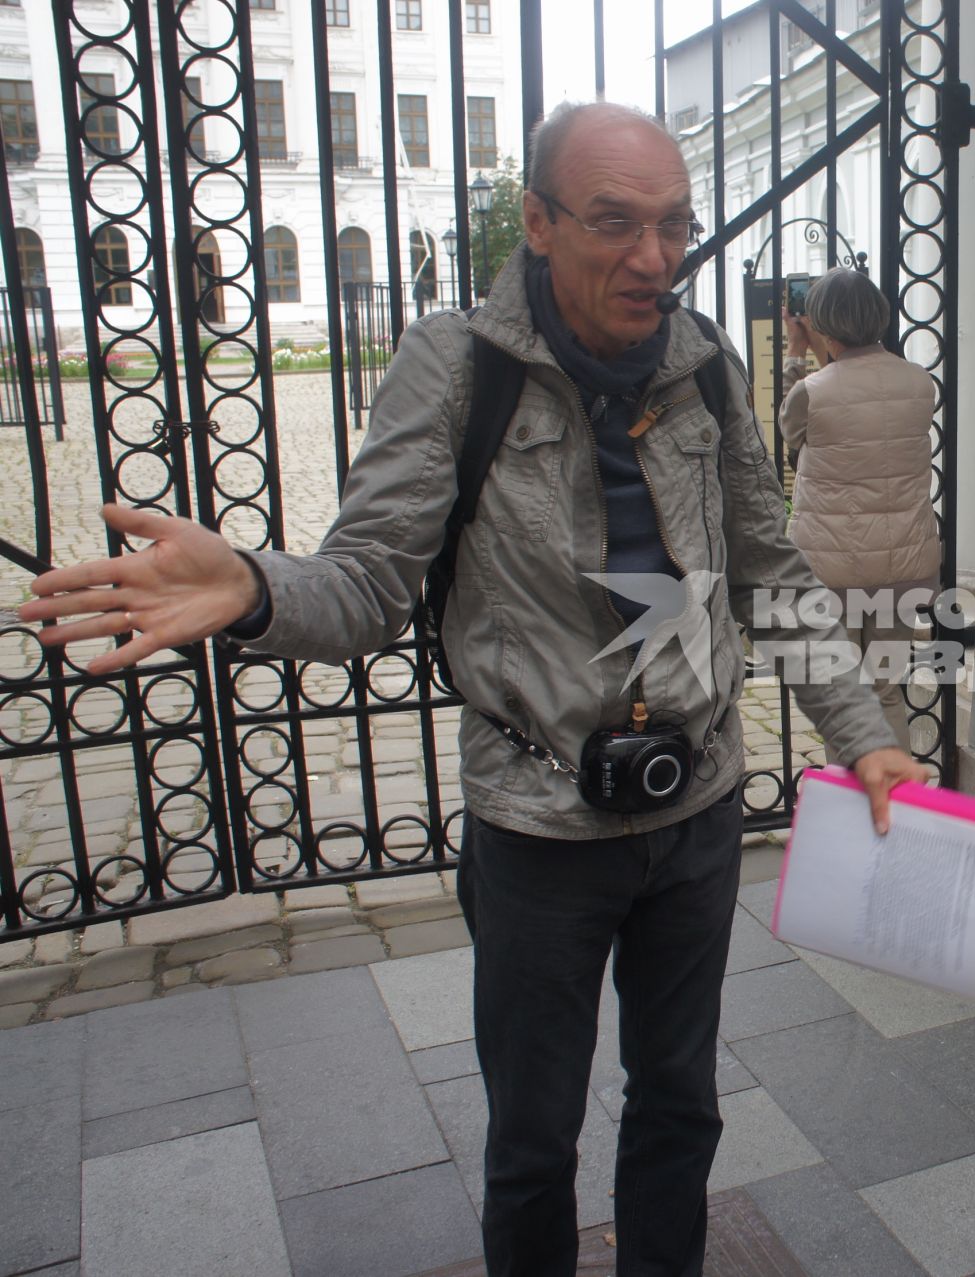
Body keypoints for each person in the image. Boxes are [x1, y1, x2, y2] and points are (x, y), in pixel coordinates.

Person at [19, 102, 920, 1277]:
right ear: (538, 223)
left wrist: (868, 739)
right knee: (534, 1137)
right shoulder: (458, 368)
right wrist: (249, 585)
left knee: (682, 1108)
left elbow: (774, 571)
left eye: (673, 227)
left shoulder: (708, 365)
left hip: (697, 812)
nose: (653, 258)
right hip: (541, 827)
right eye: (614, 223)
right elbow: (365, 586)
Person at [780, 267, 940, 758]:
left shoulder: (811, 390)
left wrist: (795, 353)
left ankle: (855, 810)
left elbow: (792, 444)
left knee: (843, 698)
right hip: (904, 565)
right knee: (885, 689)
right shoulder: (919, 383)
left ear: (821, 326)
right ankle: (893, 809)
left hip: (833, 571)